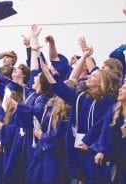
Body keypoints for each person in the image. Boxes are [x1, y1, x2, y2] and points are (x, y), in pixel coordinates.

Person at [41, 47, 116, 183]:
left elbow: (102, 124)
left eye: (93, 76)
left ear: (101, 82)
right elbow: (61, 89)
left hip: (93, 147)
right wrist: (48, 73)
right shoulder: (81, 96)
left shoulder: (107, 101)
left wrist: (88, 140)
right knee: (80, 178)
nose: (88, 76)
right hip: (76, 145)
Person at [94, 83, 126, 183]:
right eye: (121, 87)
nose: (120, 89)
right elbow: (105, 133)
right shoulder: (114, 108)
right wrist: (101, 151)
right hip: (116, 158)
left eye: (124, 88)